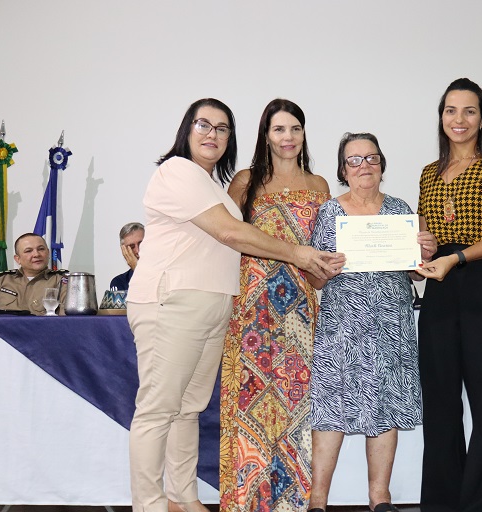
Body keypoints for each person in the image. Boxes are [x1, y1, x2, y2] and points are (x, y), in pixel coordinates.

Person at [125, 98, 344, 512]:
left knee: (187, 410)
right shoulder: (177, 171)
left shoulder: (211, 183)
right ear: (187, 130)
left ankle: (184, 499)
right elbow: (231, 234)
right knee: (158, 409)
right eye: (204, 125)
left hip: (214, 305)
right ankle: (149, 505)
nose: (213, 134)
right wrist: (297, 254)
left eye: (222, 128)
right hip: (174, 301)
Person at [306, 132, 437, 512]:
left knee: (387, 404)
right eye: (354, 159)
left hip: (390, 324)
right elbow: (314, 279)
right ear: (343, 170)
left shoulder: (400, 210)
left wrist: (424, 254)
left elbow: (413, 272)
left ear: (381, 164)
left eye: (371, 158)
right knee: (331, 406)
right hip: (342, 326)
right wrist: (324, 269)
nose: (364, 166)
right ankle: (317, 500)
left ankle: (380, 497)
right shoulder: (330, 213)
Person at [415, 78, 482, 512]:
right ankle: (442, 503)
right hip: (440, 292)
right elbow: (425, 238)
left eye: (469, 110)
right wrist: (421, 254)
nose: (458, 119)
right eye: (450, 110)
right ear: (441, 117)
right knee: (440, 404)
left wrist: (456, 258)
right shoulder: (428, 173)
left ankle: (481, 504)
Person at [219, 99, 331, 512]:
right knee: (249, 405)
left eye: (295, 129)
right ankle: (247, 502)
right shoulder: (245, 181)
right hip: (252, 308)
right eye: (279, 129)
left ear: (304, 134)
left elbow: (324, 249)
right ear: (265, 135)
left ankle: (292, 504)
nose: (288, 137)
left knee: (295, 406)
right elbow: (226, 240)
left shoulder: (319, 184)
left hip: (300, 310)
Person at [0, 233, 68, 316]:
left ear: (48, 253)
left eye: (41, 249)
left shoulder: (62, 280)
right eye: (28, 251)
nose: (36, 254)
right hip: (6, 331)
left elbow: (68, 318)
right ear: (18, 259)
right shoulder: (2, 280)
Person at [110, 222, 144, 290]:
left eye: (141, 244)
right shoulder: (119, 282)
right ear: (124, 251)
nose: (138, 251)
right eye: (132, 247)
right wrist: (137, 269)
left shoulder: (164, 273)